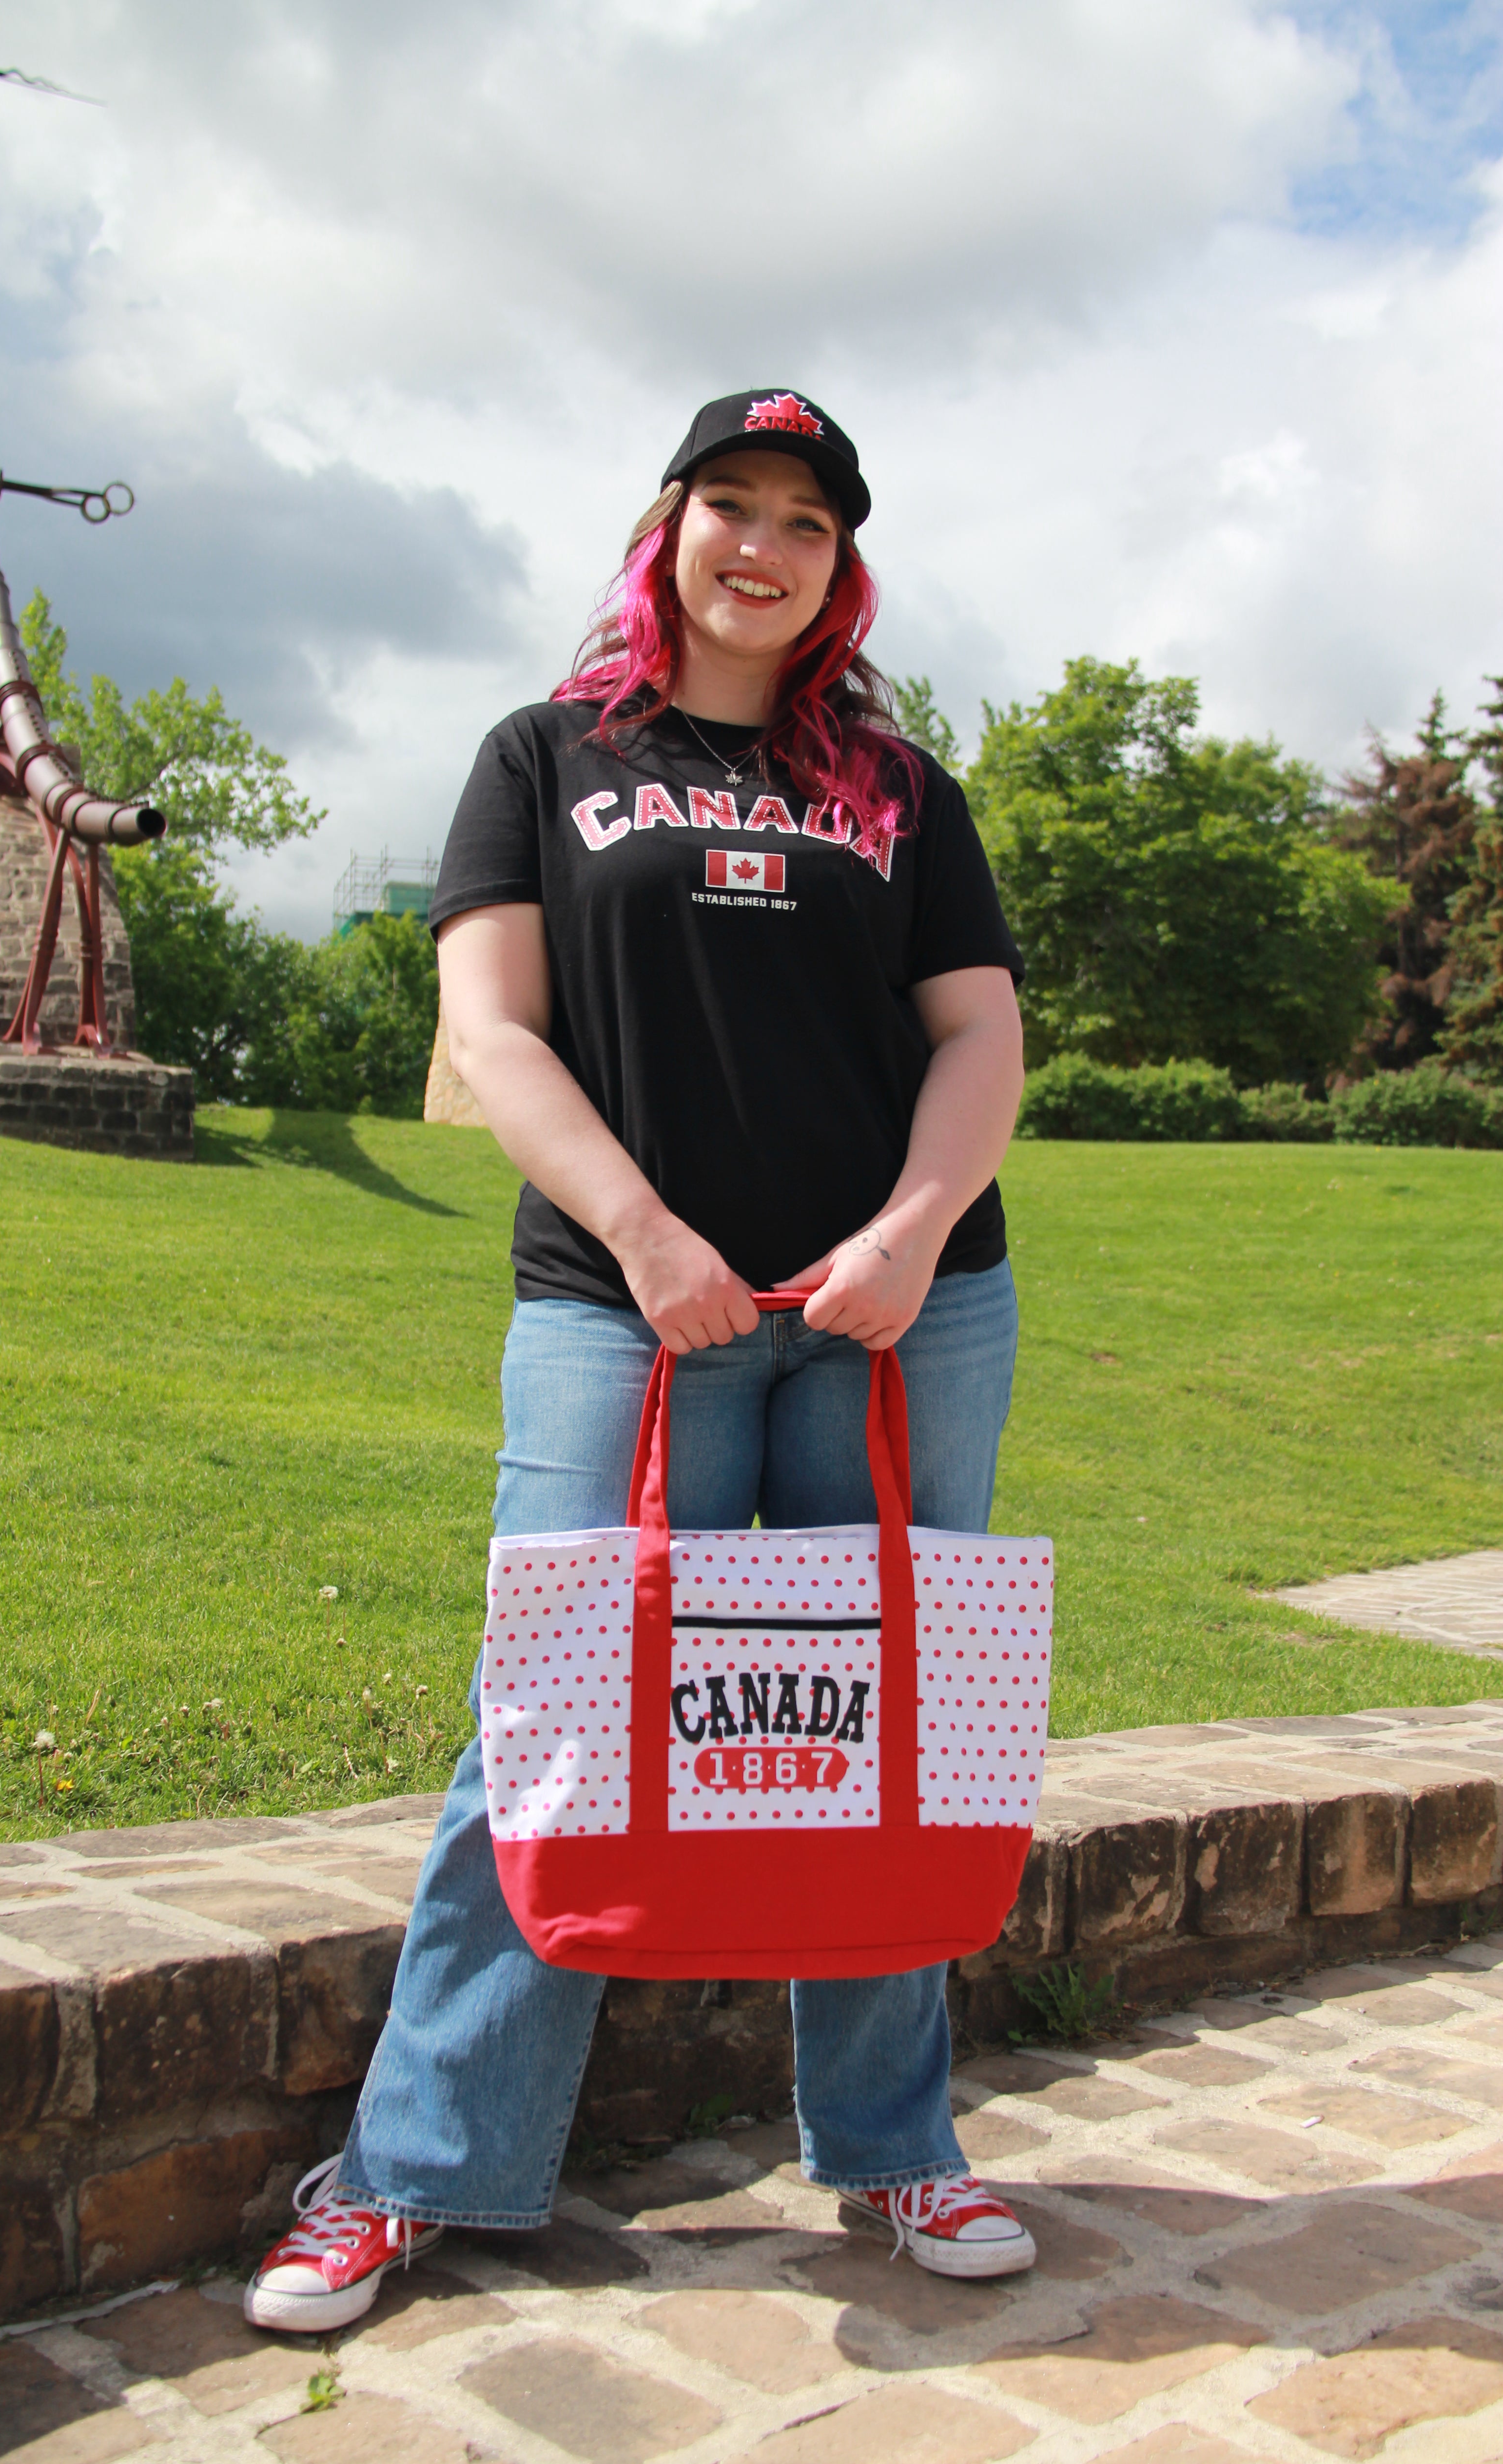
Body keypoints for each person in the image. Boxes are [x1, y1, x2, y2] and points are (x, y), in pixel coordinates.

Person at [244, 388, 1032, 2333]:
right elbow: (495, 1031)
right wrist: (651, 1237)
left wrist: (911, 1236)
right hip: (624, 1309)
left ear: (843, 568)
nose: (765, 546)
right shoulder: (547, 753)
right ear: (667, 527)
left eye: (809, 523)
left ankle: (895, 2150)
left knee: (886, 1719)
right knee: (553, 1716)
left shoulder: (901, 790)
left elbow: (981, 1034)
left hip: (893, 1314)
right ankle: (415, 2172)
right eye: (732, 506)